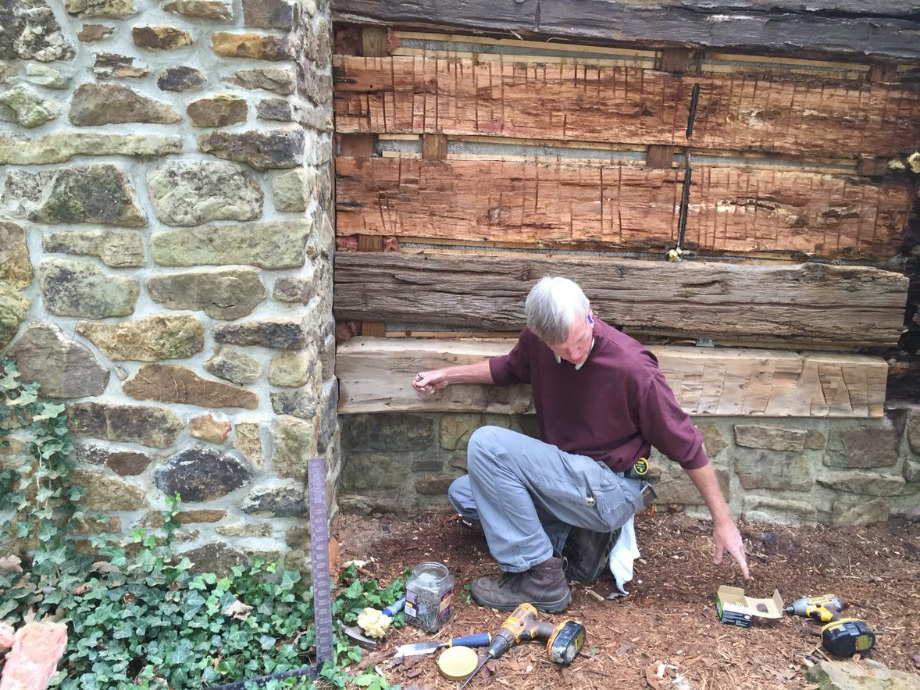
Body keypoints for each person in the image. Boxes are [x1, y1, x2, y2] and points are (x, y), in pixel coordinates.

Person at [412, 276, 750, 613]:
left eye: (579, 341)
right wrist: (449, 375)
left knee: (487, 445)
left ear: (590, 313)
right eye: (561, 349)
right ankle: (571, 543)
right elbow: (508, 368)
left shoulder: (633, 369)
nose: (574, 354)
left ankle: (542, 579)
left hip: (611, 488)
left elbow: (688, 447)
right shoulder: (537, 341)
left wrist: (723, 521)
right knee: (467, 494)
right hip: (569, 482)